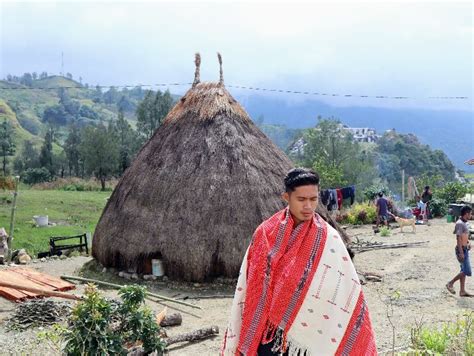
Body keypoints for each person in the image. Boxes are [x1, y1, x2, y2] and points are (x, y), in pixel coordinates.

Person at [221, 168, 376, 355]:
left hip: (309, 335)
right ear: (286, 197)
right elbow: (253, 283)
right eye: (301, 200)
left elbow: (343, 290)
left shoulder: (329, 238)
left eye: (313, 199)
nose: (308, 206)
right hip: (267, 333)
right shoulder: (265, 233)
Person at [446, 205, 472, 297]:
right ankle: (450, 283)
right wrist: (461, 252)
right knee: (467, 271)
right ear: (466, 214)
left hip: (465, 249)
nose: (471, 215)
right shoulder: (460, 223)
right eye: (470, 213)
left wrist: (468, 243)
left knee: (463, 270)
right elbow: (458, 238)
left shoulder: (464, 223)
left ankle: (462, 291)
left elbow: (464, 236)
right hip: (461, 250)